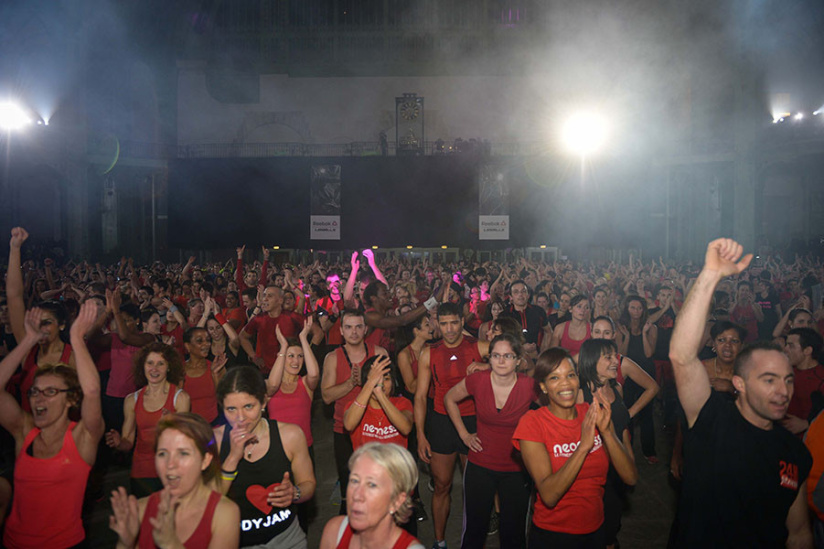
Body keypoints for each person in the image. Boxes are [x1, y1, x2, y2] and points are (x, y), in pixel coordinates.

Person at [668, 238, 813, 547]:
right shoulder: (713, 421)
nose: (783, 390)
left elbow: (799, 532)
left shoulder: (794, 452)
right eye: (769, 379)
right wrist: (710, 274)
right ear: (740, 384)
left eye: (788, 380)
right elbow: (682, 356)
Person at [1, 303, 105, 548]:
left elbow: (91, 391)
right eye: (35, 391)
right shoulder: (24, 432)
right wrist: (29, 340)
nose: (39, 398)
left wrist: (77, 338)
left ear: (71, 399)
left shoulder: (82, 439)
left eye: (50, 391)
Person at [512, 348, 637, 548]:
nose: (565, 383)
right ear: (543, 386)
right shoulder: (533, 423)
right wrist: (582, 448)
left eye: (570, 375)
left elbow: (630, 477)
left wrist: (606, 433)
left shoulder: (593, 414)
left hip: (596, 530)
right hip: (553, 535)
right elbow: (549, 495)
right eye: (554, 378)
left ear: (578, 380)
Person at [444, 333, 536, 549]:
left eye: (507, 356)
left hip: (516, 468)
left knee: (513, 534)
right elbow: (449, 398)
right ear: (489, 358)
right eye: (496, 355)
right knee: (474, 531)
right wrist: (464, 435)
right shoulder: (478, 380)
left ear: (518, 360)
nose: (501, 361)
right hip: (480, 466)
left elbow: (552, 409)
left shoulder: (529, 386)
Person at [414, 302, 490, 549]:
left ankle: (473, 539)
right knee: (442, 485)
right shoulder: (429, 351)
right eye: (444, 323)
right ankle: (439, 541)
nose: (449, 329)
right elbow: (420, 396)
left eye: (454, 322)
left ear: (462, 320)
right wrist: (421, 435)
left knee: (474, 486)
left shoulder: (478, 347)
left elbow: (516, 359)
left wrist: (487, 365)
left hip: (472, 420)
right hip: (442, 421)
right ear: (437, 323)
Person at [215, 365, 316, 548]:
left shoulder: (290, 435)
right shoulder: (214, 441)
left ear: (263, 402)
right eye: (231, 409)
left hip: (288, 539)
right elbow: (208, 502)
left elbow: (308, 484)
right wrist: (231, 459)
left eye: (248, 406)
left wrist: (295, 493)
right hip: (236, 542)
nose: (240, 418)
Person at [109, 412, 241, 548]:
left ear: (205, 460)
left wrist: (171, 544)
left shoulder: (224, 514)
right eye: (162, 454)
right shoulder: (140, 510)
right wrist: (125, 543)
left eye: (183, 453)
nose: (170, 464)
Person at [322, 309, 388, 514]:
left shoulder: (379, 353)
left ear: (365, 329)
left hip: (376, 427)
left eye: (359, 326)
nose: (354, 332)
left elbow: (390, 390)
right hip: (344, 428)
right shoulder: (333, 357)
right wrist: (351, 383)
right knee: (348, 478)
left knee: (378, 478)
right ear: (341, 330)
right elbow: (326, 396)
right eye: (349, 327)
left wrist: (368, 384)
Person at [106, 342, 192, 497]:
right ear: (143, 366)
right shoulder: (132, 400)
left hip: (171, 469)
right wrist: (119, 443)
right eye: (150, 363)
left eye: (160, 364)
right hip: (142, 470)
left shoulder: (180, 398)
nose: (154, 369)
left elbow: (184, 441)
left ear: (169, 367)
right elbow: (128, 442)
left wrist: (170, 427)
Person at [576, 339, 638, 549]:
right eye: (608, 357)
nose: (615, 362)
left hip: (615, 475)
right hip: (590, 477)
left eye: (615, 356)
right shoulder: (579, 395)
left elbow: (623, 431)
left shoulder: (617, 389)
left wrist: (630, 463)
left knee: (610, 530)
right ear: (592, 360)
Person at [319, 443, 424, 549]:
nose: (357, 495)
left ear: (397, 501)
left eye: (372, 485)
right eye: (354, 480)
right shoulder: (335, 532)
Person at [616, 296, 659, 463]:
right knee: (627, 410)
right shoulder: (621, 328)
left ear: (643, 310)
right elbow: (621, 354)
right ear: (627, 309)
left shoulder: (652, 328)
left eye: (639, 308)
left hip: (646, 374)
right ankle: (627, 449)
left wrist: (643, 334)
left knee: (647, 413)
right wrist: (626, 336)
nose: (635, 311)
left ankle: (649, 450)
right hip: (627, 373)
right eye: (632, 308)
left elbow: (649, 353)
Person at [344, 355, 413, 450]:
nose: (381, 383)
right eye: (375, 379)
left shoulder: (403, 403)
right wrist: (371, 382)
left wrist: (379, 393)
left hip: (395, 464)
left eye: (386, 379)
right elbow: (349, 425)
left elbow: (406, 428)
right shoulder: (355, 406)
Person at [783, 327, 824, 435]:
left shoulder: (820, 378)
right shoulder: (785, 372)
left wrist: (807, 423)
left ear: (807, 350)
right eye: (786, 344)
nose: (785, 349)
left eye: (791, 345)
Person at [182, 327, 226, 424]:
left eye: (208, 340)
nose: (206, 344)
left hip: (214, 425)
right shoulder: (180, 370)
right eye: (199, 341)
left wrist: (215, 374)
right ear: (187, 346)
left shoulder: (217, 367)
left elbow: (225, 401)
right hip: (189, 428)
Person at [500, 280, 546, 356]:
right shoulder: (504, 316)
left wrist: (543, 351)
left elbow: (548, 332)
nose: (520, 294)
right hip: (513, 358)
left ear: (528, 295)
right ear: (511, 297)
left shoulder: (538, 311)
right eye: (516, 292)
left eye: (523, 291)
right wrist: (521, 348)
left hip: (537, 357)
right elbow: (500, 340)